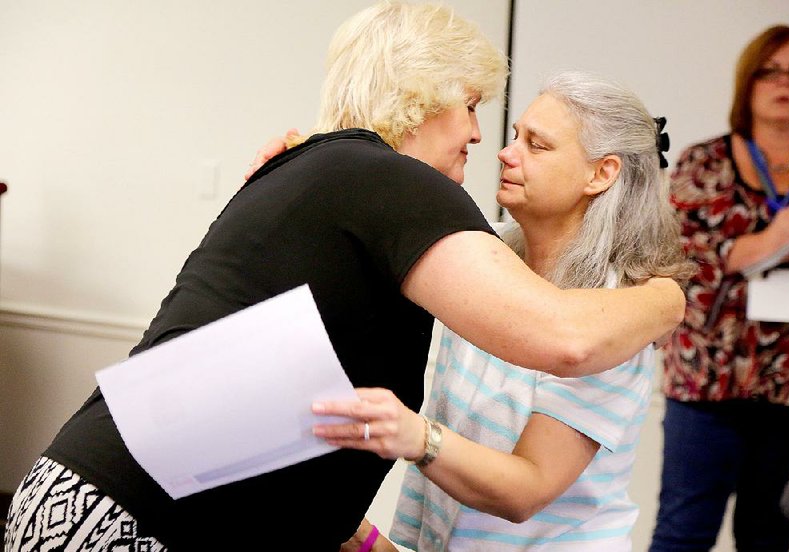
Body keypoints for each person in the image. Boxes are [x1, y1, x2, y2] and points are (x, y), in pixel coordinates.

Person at [3, 3, 685, 551]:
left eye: (532, 142)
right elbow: (563, 338)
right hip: (135, 520)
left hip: (103, 502)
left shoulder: (327, 172)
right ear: (425, 96)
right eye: (473, 105)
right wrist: (673, 294)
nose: (484, 139)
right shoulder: (398, 187)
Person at [310, 71, 694, 551]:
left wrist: (413, 435)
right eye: (516, 137)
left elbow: (524, 491)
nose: (505, 153)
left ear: (602, 174)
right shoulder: (485, 256)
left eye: (537, 145)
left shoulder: (612, 319)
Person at [649, 25, 789, 552]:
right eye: (770, 70)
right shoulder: (703, 163)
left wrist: (745, 247)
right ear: (748, 82)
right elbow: (687, 267)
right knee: (683, 533)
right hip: (706, 385)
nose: (784, 82)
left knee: (769, 535)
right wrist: (776, 238)